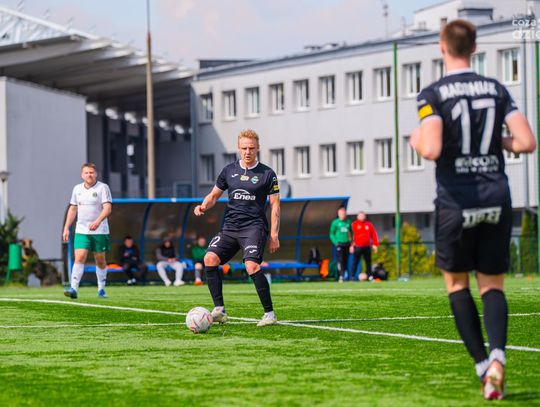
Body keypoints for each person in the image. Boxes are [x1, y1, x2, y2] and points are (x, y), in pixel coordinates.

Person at [409, 19, 536, 401]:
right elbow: (526, 142)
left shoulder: (433, 93)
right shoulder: (496, 89)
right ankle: (498, 357)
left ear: (442, 47)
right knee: (493, 285)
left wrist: (416, 140)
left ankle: (483, 367)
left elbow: (432, 148)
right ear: (475, 48)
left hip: (456, 201)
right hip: (496, 196)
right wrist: (495, 142)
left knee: (457, 285)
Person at [194, 129, 280, 327]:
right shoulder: (229, 171)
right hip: (230, 227)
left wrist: (274, 235)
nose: (247, 152)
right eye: (244, 148)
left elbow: (275, 205)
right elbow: (213, 195)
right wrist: (203, 206)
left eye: (251, 148)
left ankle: (269, 314)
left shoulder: (267, 174)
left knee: (251, 266)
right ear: (238, 148)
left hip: (254, 227)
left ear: (258, 148)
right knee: (210, 258)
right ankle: (219, 310)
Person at [62, 163, 112, 299]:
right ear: (82, 175)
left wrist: (98, 221)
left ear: (96, 174)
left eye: (91, 172)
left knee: (100, 260)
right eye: (86, 173)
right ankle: (73, 289)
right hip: (82, 230)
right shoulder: (77, 189)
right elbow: (73, 208)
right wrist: (66, 228)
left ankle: (101, 289)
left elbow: (107, 208)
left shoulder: (103, 187)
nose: (89, 175)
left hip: (100, 231)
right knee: (79, 257)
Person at [350, 211, 379, 281]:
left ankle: (370, 276)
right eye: (360, 216)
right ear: (357, 217)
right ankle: (352, 276)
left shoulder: (369, 224)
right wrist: (351, 245)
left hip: (367, 246)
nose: (362, 217)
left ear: (365, 216)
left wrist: (375, 244)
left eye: (363, 216)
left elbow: (374, 235)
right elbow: (350, 235)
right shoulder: (354, 224)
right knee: (355, 262)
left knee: (368, 262)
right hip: (357, 247)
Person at [329, 207, 352, 283]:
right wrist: (336, 242)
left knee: (346, 260)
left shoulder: (348, 222)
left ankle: (346, 275)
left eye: (344, 213)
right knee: (340, 260)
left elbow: (351, 233)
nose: (343, 215)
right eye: (341, 214)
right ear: (338, 214)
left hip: (347, 244)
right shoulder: (335, 223)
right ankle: (341, 276)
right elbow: (331, 234)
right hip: (339, 244)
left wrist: (352, 244)